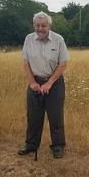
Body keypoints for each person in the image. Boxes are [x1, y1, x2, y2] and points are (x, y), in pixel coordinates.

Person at [18, 11, 70, 159]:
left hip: (54, 82)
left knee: (56, 117)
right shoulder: (29, 39)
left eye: (43, 25)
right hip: (35, 82)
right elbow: (26, 62)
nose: (40, 28)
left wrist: (49, 83)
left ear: (49, 26)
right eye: (37, 25)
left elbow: (63, 64)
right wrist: (32, 82)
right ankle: (31, 144)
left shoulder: (58, 40)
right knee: (33, 117)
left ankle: (58, 146)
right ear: (34, 25)